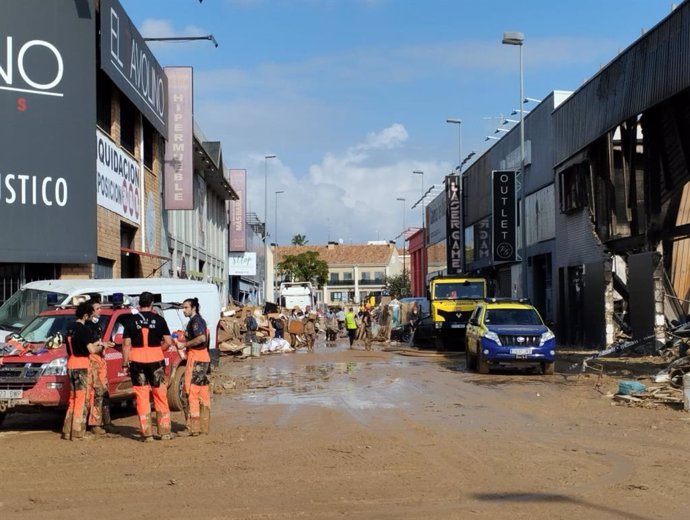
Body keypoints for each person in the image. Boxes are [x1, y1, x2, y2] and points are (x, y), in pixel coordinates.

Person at [122, 291, 174, 442]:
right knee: (160, 394)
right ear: (151, 304)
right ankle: (165, 432)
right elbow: (169, 342)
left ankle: (147, 434)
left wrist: (125, 363)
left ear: (139, 303)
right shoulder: (159, 320)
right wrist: (159, 349)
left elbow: (126, 345)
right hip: (156, 360)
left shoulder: (131, 321)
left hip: (137, 360)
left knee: (142, 396)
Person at [62, 301, 100, 441]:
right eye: (89, 315)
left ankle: (67, 430)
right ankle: (78, 432)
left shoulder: (70, 328)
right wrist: (101, 347)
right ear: (85, 315)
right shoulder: (85, 330)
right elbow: (91, 349)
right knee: (81, 399)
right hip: (82, 364)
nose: (91, 318)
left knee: (72, 398)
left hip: (71, 363)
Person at [176, 297, 211, 437]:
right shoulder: (197, 321)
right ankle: (203, 426)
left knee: (191, 392)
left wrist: (184, 344)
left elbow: (201, 338)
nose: (184, 310)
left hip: (197, 359)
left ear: (193, 308)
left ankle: (193, 427)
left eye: (186, 307)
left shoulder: (196, 322)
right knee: (203, 393)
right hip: (201, 358)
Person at [86, 298, 113, 435]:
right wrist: (102, 345)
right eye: (97, 309)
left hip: (100, 360)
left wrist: (104, 344)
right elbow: (91, 347)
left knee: (104, 392)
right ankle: (94, 423)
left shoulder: (97, 325)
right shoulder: (87, 326)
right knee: (96, 393)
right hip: (93, 361)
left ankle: (105, 421)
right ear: (90, 311)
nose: (100, 311)